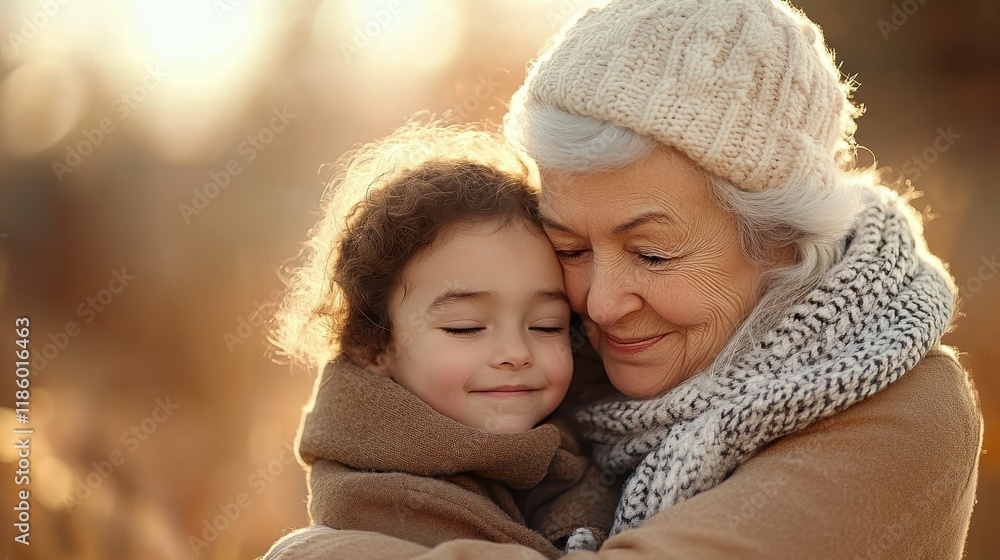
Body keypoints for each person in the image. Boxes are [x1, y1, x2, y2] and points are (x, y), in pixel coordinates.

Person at [262, 0, 982, 558]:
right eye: (571, 248)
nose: (599, 306)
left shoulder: (902, 409)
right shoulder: (543, 368)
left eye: (653, 254)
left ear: (781, 242)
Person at [261, 123, 618, 560]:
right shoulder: (366, 514)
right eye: (465, 327)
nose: (516, 354)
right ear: (374, 344)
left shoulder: (599, 457)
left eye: (546, 326)